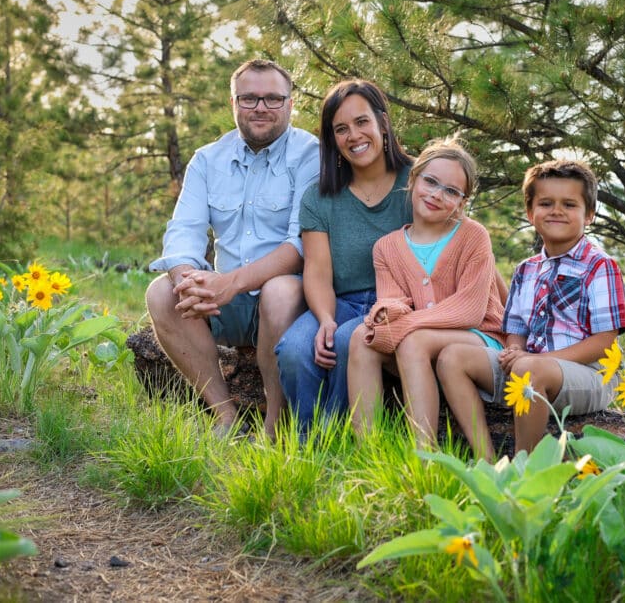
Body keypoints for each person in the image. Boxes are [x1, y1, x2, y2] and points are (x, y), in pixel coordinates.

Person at [145, 59, 319, 439]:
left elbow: (300, 245)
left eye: (273, 98)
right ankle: (225, 416)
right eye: (250, 98)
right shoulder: (208, 159)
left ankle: (275, 428)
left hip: (287, 303)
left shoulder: (310, 155)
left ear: (291, 104)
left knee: (280, 288)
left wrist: (231, 283)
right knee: (161, 292)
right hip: (225, 304)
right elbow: (183, 234)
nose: (261, 107)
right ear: (233, 103)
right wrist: (189, 279)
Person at [437, 159, 625, 459]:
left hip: (589, 375)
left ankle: (526, 467)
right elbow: (516, 331)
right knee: (452, 357)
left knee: (529, 369)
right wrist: (515, 351)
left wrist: (536, 361)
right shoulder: (527, 270)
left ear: (589, 214)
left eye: (569, 204)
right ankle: (487, 460)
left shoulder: (600, 266)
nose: (556, 211)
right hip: (530, 371)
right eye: (546, 203)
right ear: (530, 213)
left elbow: (604, 343)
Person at [348, 137, 506, 448]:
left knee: (413, 339)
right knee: (360, 338)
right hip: (418, 341)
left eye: (451, 191)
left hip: (478, 338)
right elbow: (394, 302)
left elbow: (470, 310)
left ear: (462, 202)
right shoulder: (387, 247)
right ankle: (368, 450)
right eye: (430, 181)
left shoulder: (473, 236)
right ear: (413, 179)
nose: (436, 195)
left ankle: (424, 455)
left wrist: (405, 324)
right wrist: (387, 314)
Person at [276, 79, 414, 433]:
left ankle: (338, 439)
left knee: (344, 341)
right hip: (341, 302)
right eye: (341, 129)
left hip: (398, 305)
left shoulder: (417, 181)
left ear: (383, 122)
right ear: (332, 140)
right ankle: (306, 446)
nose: (354, 135)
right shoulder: (319, 197)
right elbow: (318, 273)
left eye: (361, 122)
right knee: (294, 348)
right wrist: (324, 318)